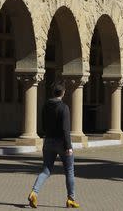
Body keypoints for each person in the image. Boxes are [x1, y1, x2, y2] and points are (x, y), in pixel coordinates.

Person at [28, 81, 80, 209]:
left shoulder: (46, 106)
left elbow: (43, 124)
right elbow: (65, 129)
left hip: (48, 141)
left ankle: (34, 192)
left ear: (53, 92)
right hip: (62, 142)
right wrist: (68, 146)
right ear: (63, 93)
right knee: (69, 171)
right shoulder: (64, 107)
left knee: (46, 170)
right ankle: (70, 199)